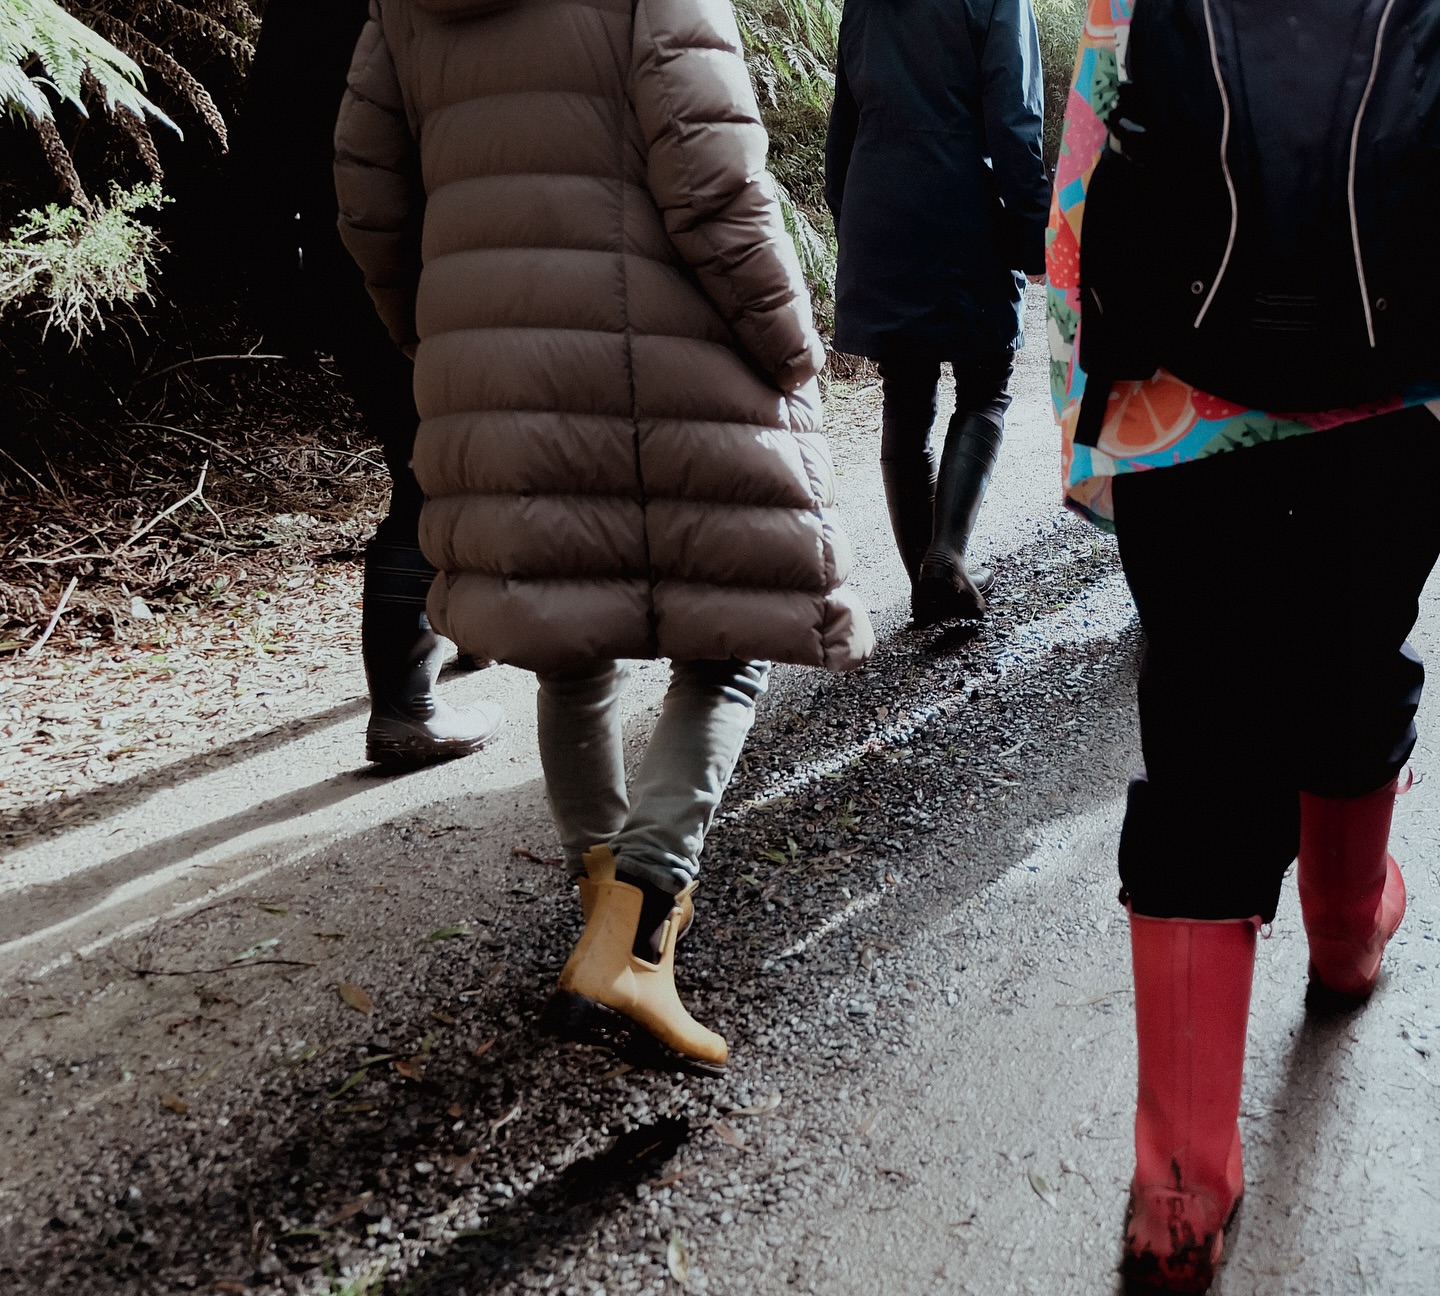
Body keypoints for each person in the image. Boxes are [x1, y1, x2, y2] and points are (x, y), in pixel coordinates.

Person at [333, 0, 874, 1073]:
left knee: (568, 649)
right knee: (726, 645)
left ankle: (607, 920)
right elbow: (715, 184)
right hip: (676, 355)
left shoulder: (398, 7)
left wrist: (444, 337)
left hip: (495, 363)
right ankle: (630, 936)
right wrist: (791, 340)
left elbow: (368, 198)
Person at [1050, 1, 1440, 1289]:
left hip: (1183, 406)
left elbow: (1082, 199)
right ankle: (1346, 932)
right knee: (1359, 655)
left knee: (1205, 733)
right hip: (1403, 399)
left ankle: (1179, 1193)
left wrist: (1089, 434)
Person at [237, 0, 503, 766]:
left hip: (343, 262)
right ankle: (406, 706)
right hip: (442, 248)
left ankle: (468, 632)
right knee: (430, 470)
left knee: (438, 458)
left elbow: (263, 141)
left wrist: (272, 290)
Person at [825, 0, 1048, 624]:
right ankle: (944, 557)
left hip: (880, 212)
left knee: (906, 397)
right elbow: (1015, 122)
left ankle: (928, 581)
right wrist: (1035, 234)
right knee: (986, 386)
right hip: (963, 213)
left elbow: (843, 126)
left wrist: (856, 223)